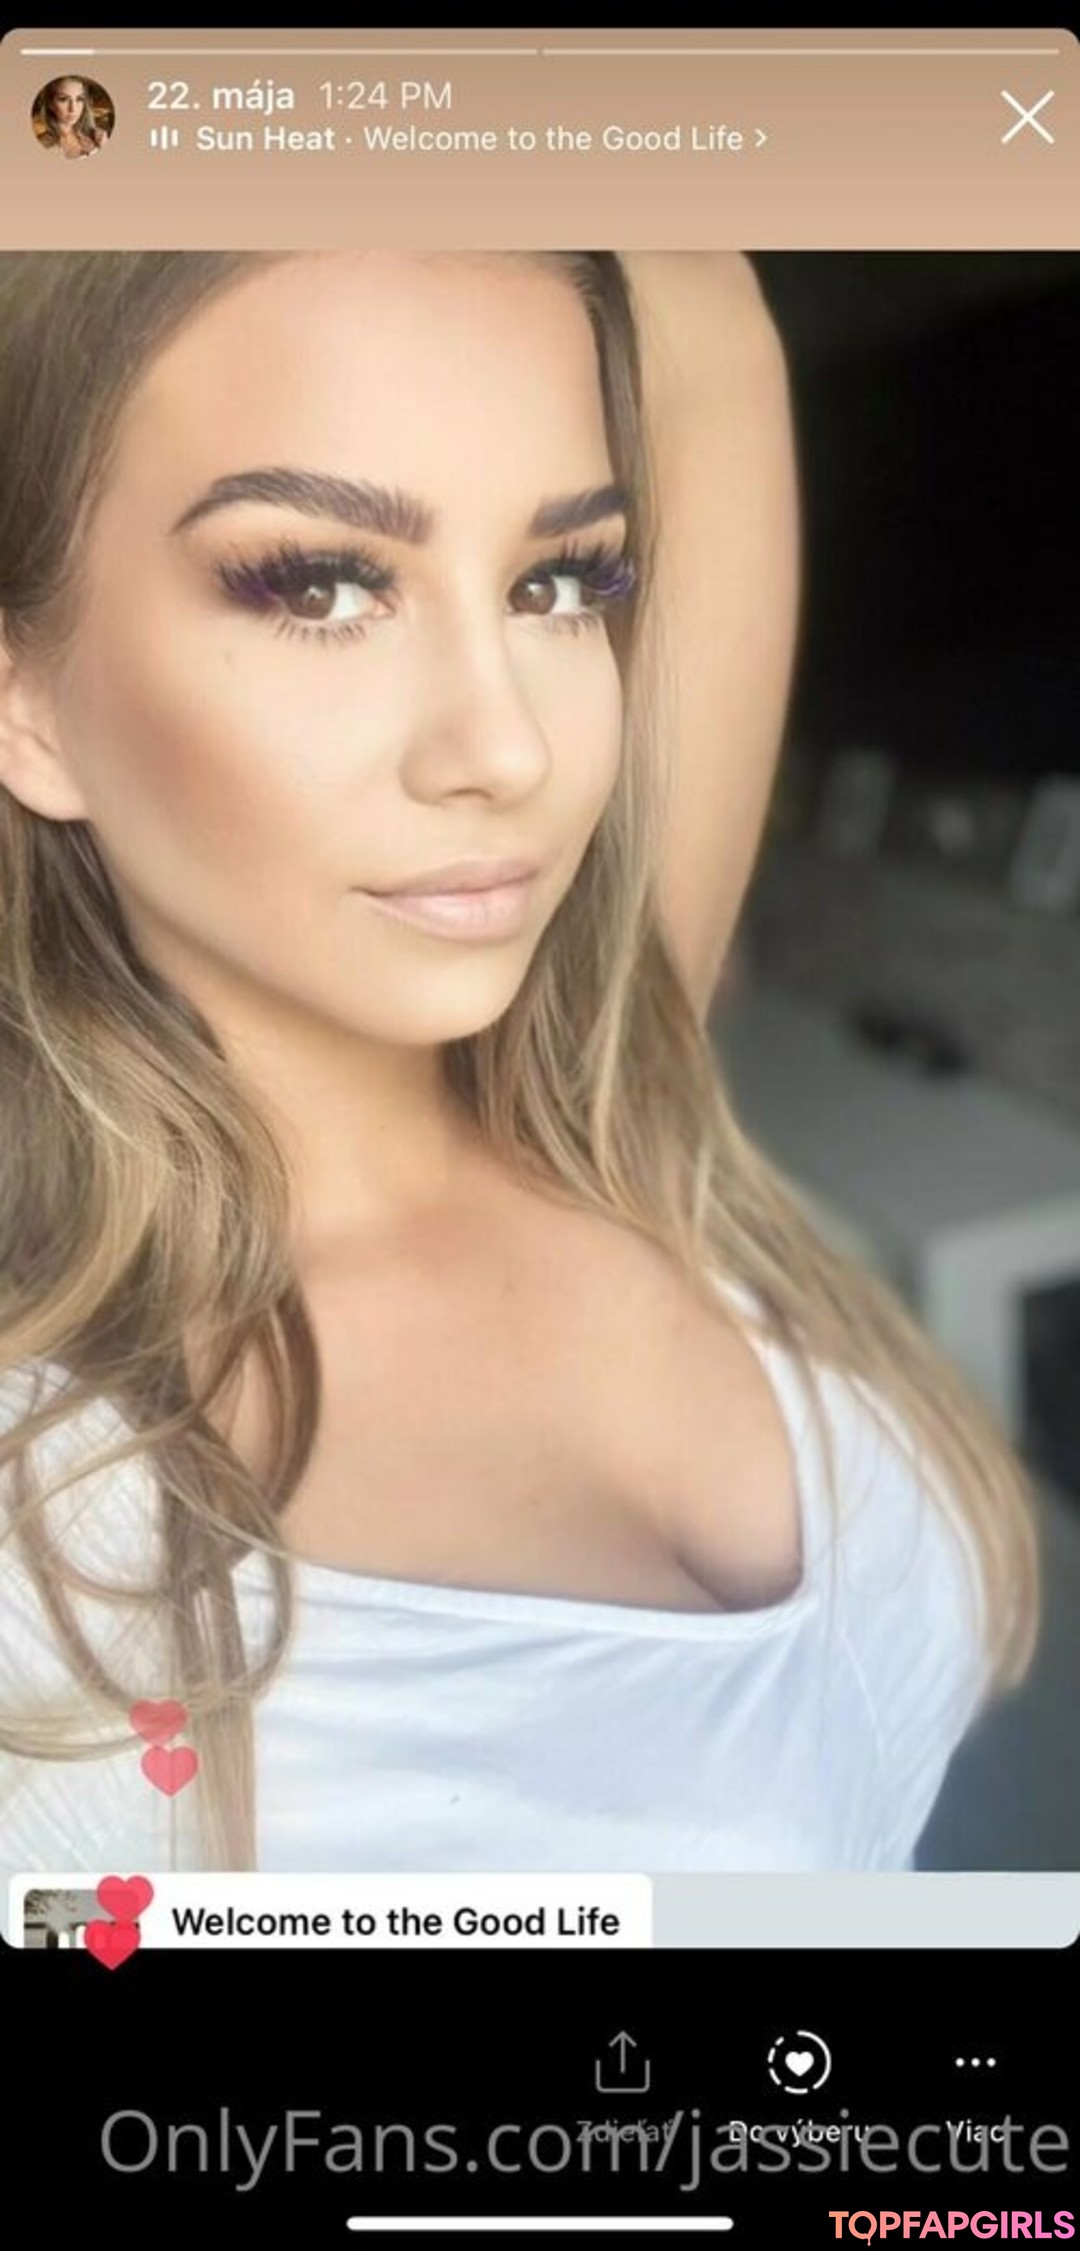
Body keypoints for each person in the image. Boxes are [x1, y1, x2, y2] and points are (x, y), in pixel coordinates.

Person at [0, 251, 1038, 1877]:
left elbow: (706, 318)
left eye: (562, 583)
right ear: (28, 703)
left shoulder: (612, 1096)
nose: (511, 749)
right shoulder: (44, 1516)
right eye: (321, 585)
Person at [33, 77, 107, 159]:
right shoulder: (42, 143)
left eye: (79, 99)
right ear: (50, 104)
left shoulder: (96, 136)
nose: (73, 109)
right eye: (63, 99)